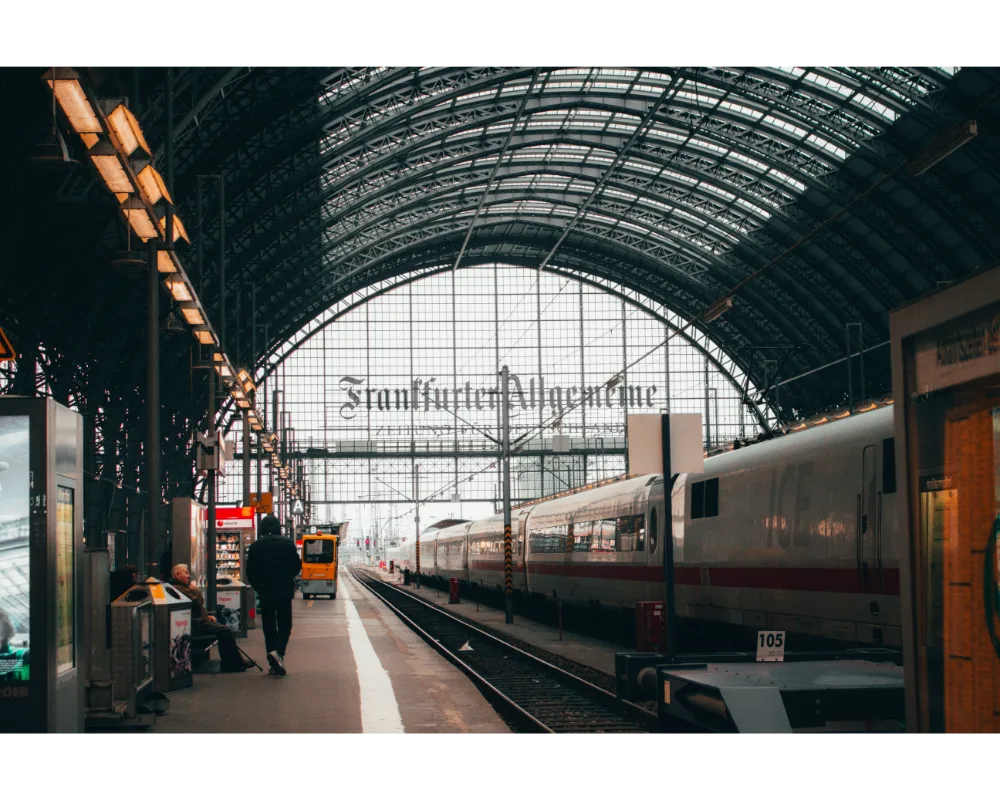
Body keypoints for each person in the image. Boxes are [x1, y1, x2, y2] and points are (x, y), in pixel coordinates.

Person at [169, 563, 251, 673]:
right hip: (196, 623)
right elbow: (197, 601)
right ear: (177, 575)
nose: (189, 576)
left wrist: (207, 615)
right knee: (225, 631)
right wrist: (195, 590)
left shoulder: (183, 587)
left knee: (224, 629)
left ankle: (237, 661)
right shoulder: (178, 589)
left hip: (200, 620)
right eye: (186, 573)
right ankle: (232, 663)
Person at [246, 515, 300, 676]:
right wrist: (287, 577)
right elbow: (296, 566)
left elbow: (250, 571)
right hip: (283, 591)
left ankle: (273, 657)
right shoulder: (288, 544)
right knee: (285, 625)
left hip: (265, 592)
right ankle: (278, 654)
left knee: (269, 627)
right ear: (278, 528)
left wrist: (259, 587)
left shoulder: (256, 546)